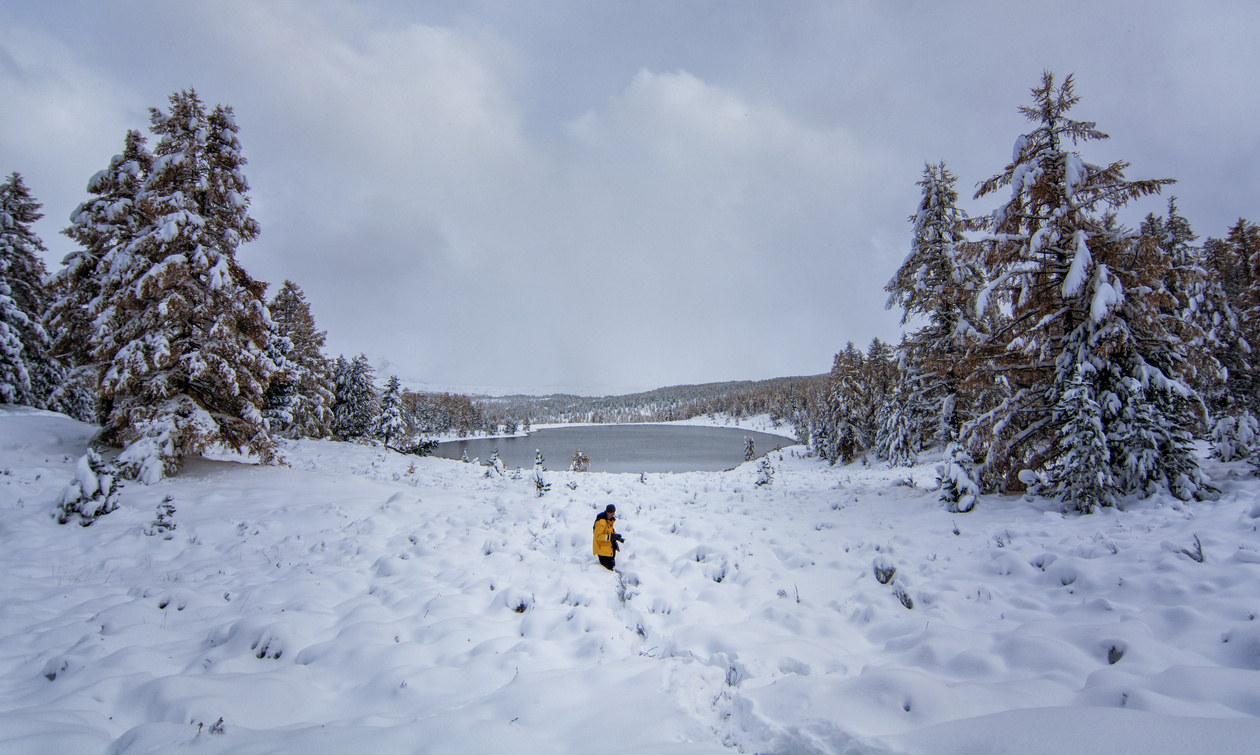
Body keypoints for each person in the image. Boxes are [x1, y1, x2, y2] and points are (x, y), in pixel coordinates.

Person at [592, 504, 625, 570]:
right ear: (607, 512)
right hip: (603, 551)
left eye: (613, 512)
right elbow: (598, 536)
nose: (612, 514)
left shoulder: (609, 520)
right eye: (611, 512)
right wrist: (610, 537)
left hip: (609, 549)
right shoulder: (601, 522)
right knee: (606, 572)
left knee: (611, 570)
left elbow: (609, 531)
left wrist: (616, 536)